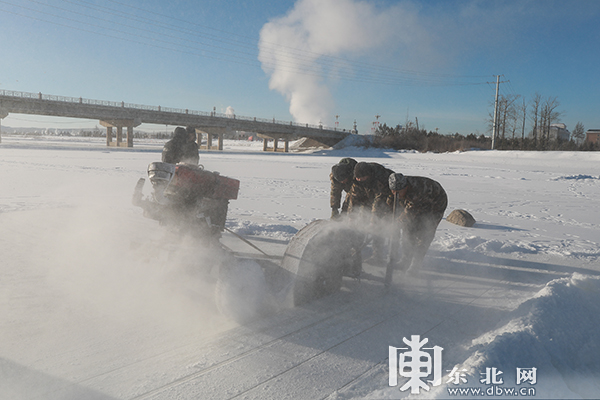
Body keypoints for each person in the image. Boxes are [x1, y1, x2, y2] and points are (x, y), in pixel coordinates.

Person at [388, 173, 448, 271]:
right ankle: (405, 260)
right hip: (418, 202)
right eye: (393, 191)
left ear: (406, 187)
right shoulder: (395, 186)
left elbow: (409, 213)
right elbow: (390, 203)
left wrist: (397, 223)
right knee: (408, 230)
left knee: (424, 232)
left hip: (436, 202)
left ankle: (415, 265)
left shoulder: (417, 191)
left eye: (399, 192)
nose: (395, 194)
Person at [347, 162, 395, 263]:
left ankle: (377, 256)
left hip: (387, 201)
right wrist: (351, 216)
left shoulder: (381, 178)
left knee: (378, 228)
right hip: (368, 199)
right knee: (360, 222)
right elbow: (354, 198)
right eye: (357, 178)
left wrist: (373, 221)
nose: (359, 180)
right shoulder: (357, 179)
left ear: (368, 175)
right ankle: (356, 249)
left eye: (362, 178)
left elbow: (379, 202)